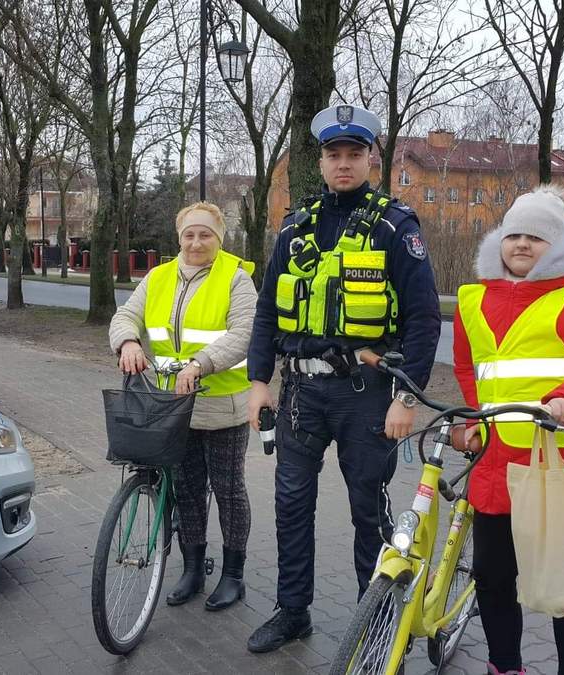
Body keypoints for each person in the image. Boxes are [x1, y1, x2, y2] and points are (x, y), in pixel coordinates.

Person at [244, 104, 441, 653]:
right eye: (334, 155)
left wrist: (406, 396)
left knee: (365, 509)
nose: (344, 164)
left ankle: (374, 621)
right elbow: (266, 312)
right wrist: (260, 381)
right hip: (303, 392)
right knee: (291, 503)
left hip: (366, 395)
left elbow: (425, 319)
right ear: (322, 161)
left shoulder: (395, 228)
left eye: (355, 154)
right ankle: (292, 611)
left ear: (371, 159)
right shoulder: (295, 226)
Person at [450, 184, 564, 675]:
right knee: (492, 576)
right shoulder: (471, 300)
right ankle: (504, 666)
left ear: (559, 245)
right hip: (495, 461)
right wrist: (472, 416)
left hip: (558, 460)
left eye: (536, 237)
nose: (522, 244)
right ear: (499, 242)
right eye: (514, 235)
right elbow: (470, 369)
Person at [108, 202, 258, 611]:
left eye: (205, 234)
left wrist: (200, 364)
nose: (196, 242)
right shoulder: (158, 277)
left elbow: (245, 333)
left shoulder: (236, 278)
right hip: (171, 406)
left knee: (228, 492)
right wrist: (128, 342)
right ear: (179, 238)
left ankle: (233, 575)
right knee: (188, 490)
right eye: (189, 234)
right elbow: (125, 316)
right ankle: (193, 568)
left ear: (219, 238)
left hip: (221, 404)